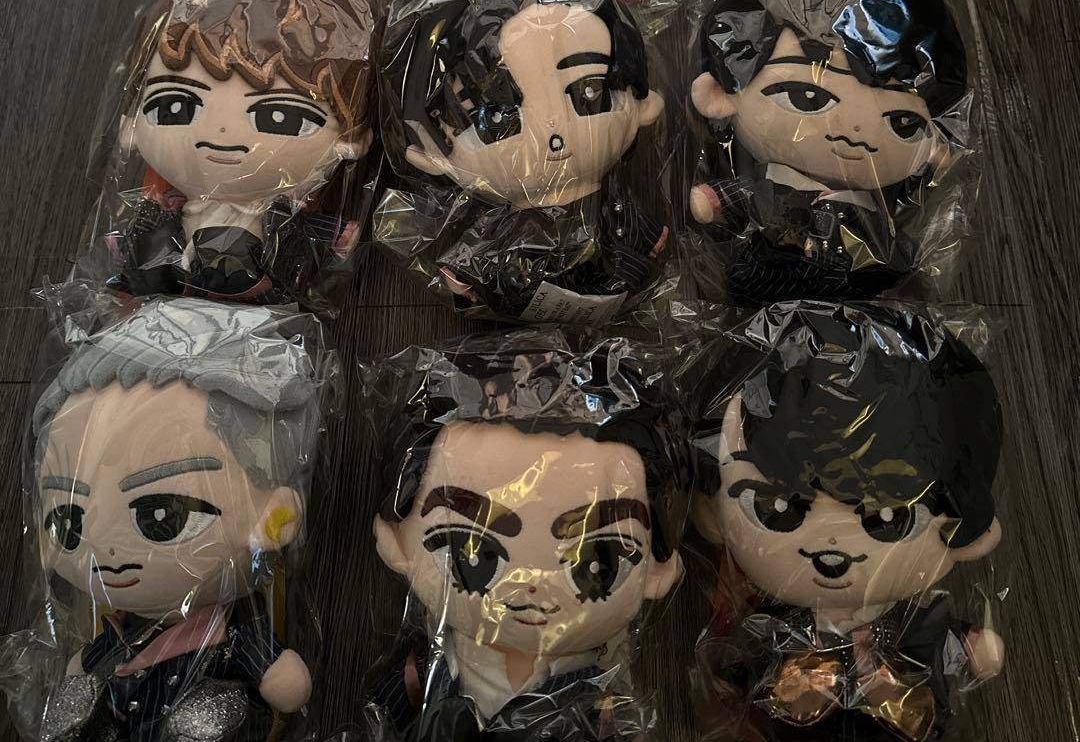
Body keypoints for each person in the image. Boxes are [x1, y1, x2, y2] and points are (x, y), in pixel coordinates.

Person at [692, 300, 1004, 742]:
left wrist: (969, 645)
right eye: (779, 510)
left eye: (888, 518)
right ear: (713, 514)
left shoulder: (908, 618)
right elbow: (741, 662)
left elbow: (939, 638)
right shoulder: (774, 618)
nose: (831, 548)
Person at [31, 298, 329, 742]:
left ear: (275, 517)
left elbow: (282, 680)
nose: (107, 551)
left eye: (162, 516)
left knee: (214, 714)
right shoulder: (118, 635)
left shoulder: (230, 635)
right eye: (69, 523)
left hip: (202, 711)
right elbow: (85, 666)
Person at [368, 332, 688, 740]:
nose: (532, 586)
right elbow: (391, 705)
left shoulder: (601, 683)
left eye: (596, 564)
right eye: (473, 556)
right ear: (397, 544)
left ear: (658, 571)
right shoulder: (431, 665)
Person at [376, 0, 668, 323]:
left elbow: (633, 228)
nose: (553, 133)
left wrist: (645, 240)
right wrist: (468, 279)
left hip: (613, 288)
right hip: (528, 297)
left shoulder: (609, 205)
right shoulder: (505, 220)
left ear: (643, 103)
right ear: (431, 151)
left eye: (589, 92)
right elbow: (479, 254)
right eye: (497, 117)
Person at [690, 0, 968, 303]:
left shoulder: (870, 213)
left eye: (901, 122)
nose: (854, 131)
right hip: (762, 283)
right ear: (720, 97)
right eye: (807, 97)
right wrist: (714, 200)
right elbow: (732, 198)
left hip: (856, 293)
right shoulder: (768, 189)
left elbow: (896, 255)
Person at [102, 0, 375, 304]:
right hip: (170, 303)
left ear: (348, 139)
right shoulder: (168, 206)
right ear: (132, 125)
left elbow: (311, 231)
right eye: (174, 107)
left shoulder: (279, 214)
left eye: (280, 116)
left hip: (264, 301)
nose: (222, 133)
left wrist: (336, 235)